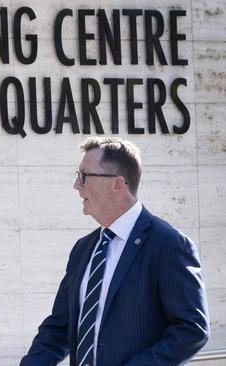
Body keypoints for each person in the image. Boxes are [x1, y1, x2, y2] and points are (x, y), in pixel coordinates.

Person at [20, 137, 209, 366]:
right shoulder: (83, 249)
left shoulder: (169, 244)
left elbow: (191, 329)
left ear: (117, 183)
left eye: (84, 176)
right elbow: (60, 326)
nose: (76, 185)